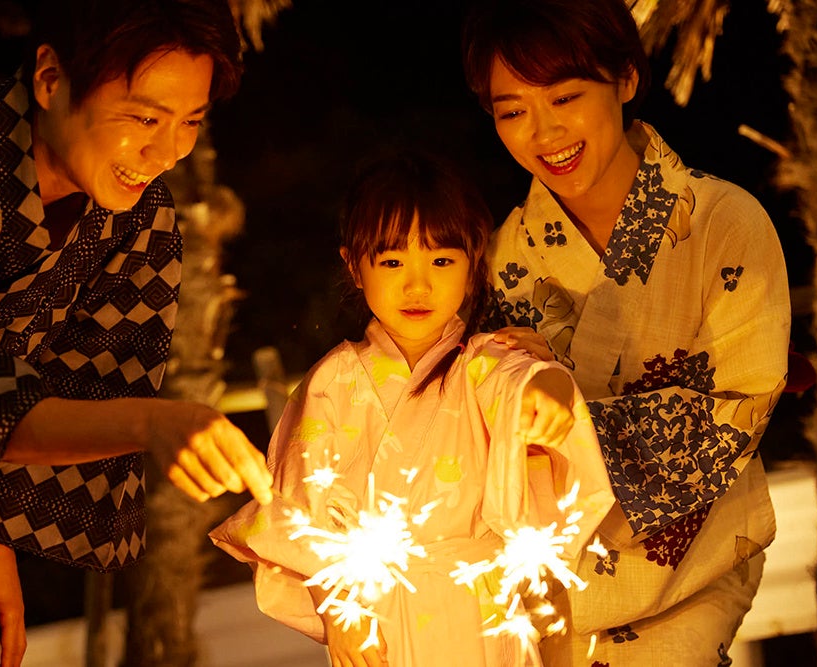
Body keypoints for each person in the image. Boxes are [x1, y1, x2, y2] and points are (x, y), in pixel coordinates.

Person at [0, 1, 274, 664]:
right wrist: (155, 422)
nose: (165, 153)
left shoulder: (139, 218)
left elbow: (84, 391)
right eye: (144, 118)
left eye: (190, 122)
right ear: (50, 78)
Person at [460, 1, 791, 664]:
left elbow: (740, 406)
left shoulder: (724, 222)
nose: (543, 131)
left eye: (565, 97)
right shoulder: (502, 259)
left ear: (626, 79)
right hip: (549, 588)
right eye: (512, 111)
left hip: (691, 572)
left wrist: (569, 418)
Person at [210, 150, 615, 667]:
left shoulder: (485, 363)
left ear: (473, 267)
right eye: (393, 262)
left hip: (482, 612)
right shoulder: (332, 382)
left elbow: (521, 382)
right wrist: (338, 609)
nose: (417, 285)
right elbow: (298, 507)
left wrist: (550, 388)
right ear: (354, 267)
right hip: (372, 616)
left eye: (442, 261)